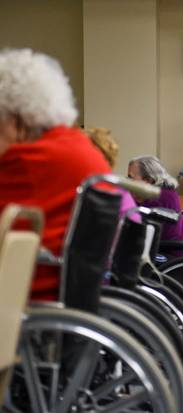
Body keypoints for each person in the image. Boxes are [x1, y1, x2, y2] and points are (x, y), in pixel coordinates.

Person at [0, 48, 111, 300]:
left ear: (18, 120)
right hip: (60, 290)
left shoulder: (32, 159)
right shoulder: (76, 147)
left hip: (25, 296)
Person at [127, 155, 183, 245]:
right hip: (164, 252)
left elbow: (135, 231)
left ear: (148, 180)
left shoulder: (159, 196)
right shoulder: (167, 193)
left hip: (164, 254)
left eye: (131, 178)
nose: (128, 182)